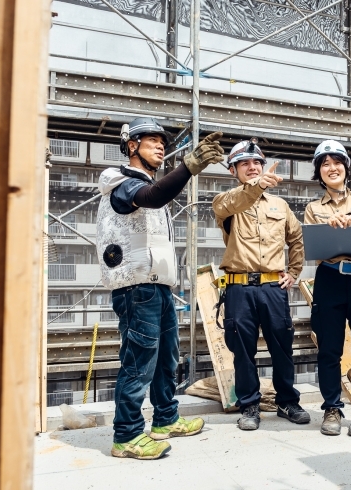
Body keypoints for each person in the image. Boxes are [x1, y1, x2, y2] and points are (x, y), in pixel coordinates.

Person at [96, 117, 224, 460]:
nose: (160, 145)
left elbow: (157, 194)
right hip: (136, 290)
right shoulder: (120, 182)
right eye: (150, 139)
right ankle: (126, 435)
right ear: (131, 145)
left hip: (157, 288)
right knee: (138, 363)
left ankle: (165, 419)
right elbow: (152, 196)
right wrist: (190, 166)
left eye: (161, 141)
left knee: (167, 358)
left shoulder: (149, 183)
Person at [212, 139, 309, 431]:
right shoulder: (226, 202)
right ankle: (250, 405)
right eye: (245, 164)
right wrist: (258, 187)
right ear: (233, 171)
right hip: (239, 288)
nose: (252, 168)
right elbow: (239, 200)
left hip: (272, 288)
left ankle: (287, 402)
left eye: (257, 163)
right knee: (242, 350)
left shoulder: (280, 205)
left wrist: (293, 271)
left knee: (282, 346)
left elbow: (296, 238)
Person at [303, 140, 351, 437]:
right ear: (319, 172)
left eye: (337, 162)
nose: (331, 168)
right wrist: (332, 221)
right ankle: (332, 409)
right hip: (330, 279)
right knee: (329, 349)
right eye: (324, 163)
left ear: (346, 168)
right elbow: (313, 242)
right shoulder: (313, 208)